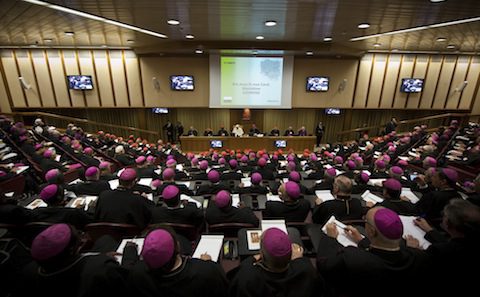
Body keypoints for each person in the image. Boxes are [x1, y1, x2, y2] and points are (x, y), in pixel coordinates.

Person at [316, 207, 431, 297]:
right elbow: (384, 253)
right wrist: (362, 240)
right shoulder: (419, 256)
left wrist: (330, 238)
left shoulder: (353, 258)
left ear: (371, 231)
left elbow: (324, 265)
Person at [18, 224, 130, 297]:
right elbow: (128, 280)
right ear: (72, 249)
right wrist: (130, 252)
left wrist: (99, 255)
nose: (83, 239)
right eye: (80, 238)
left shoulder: (28, 271)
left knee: (105, 239)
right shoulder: (103, 269)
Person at [406, 199, 480, 295]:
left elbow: (420, 268)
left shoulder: (439, 251)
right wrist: (429, 229)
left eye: (444, 216)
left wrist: (415, 250)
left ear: (449, 224)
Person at [128, 227, 228, 297]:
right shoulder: (207, 272)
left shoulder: (136, 273)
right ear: (178, 247)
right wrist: (207, 264)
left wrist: (130, 250)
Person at [229, 228, 323, 297]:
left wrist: (251, 259)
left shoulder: (246, 277)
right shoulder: (306, 269)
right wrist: (299, 260)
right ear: (291, 255)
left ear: (261, 253)